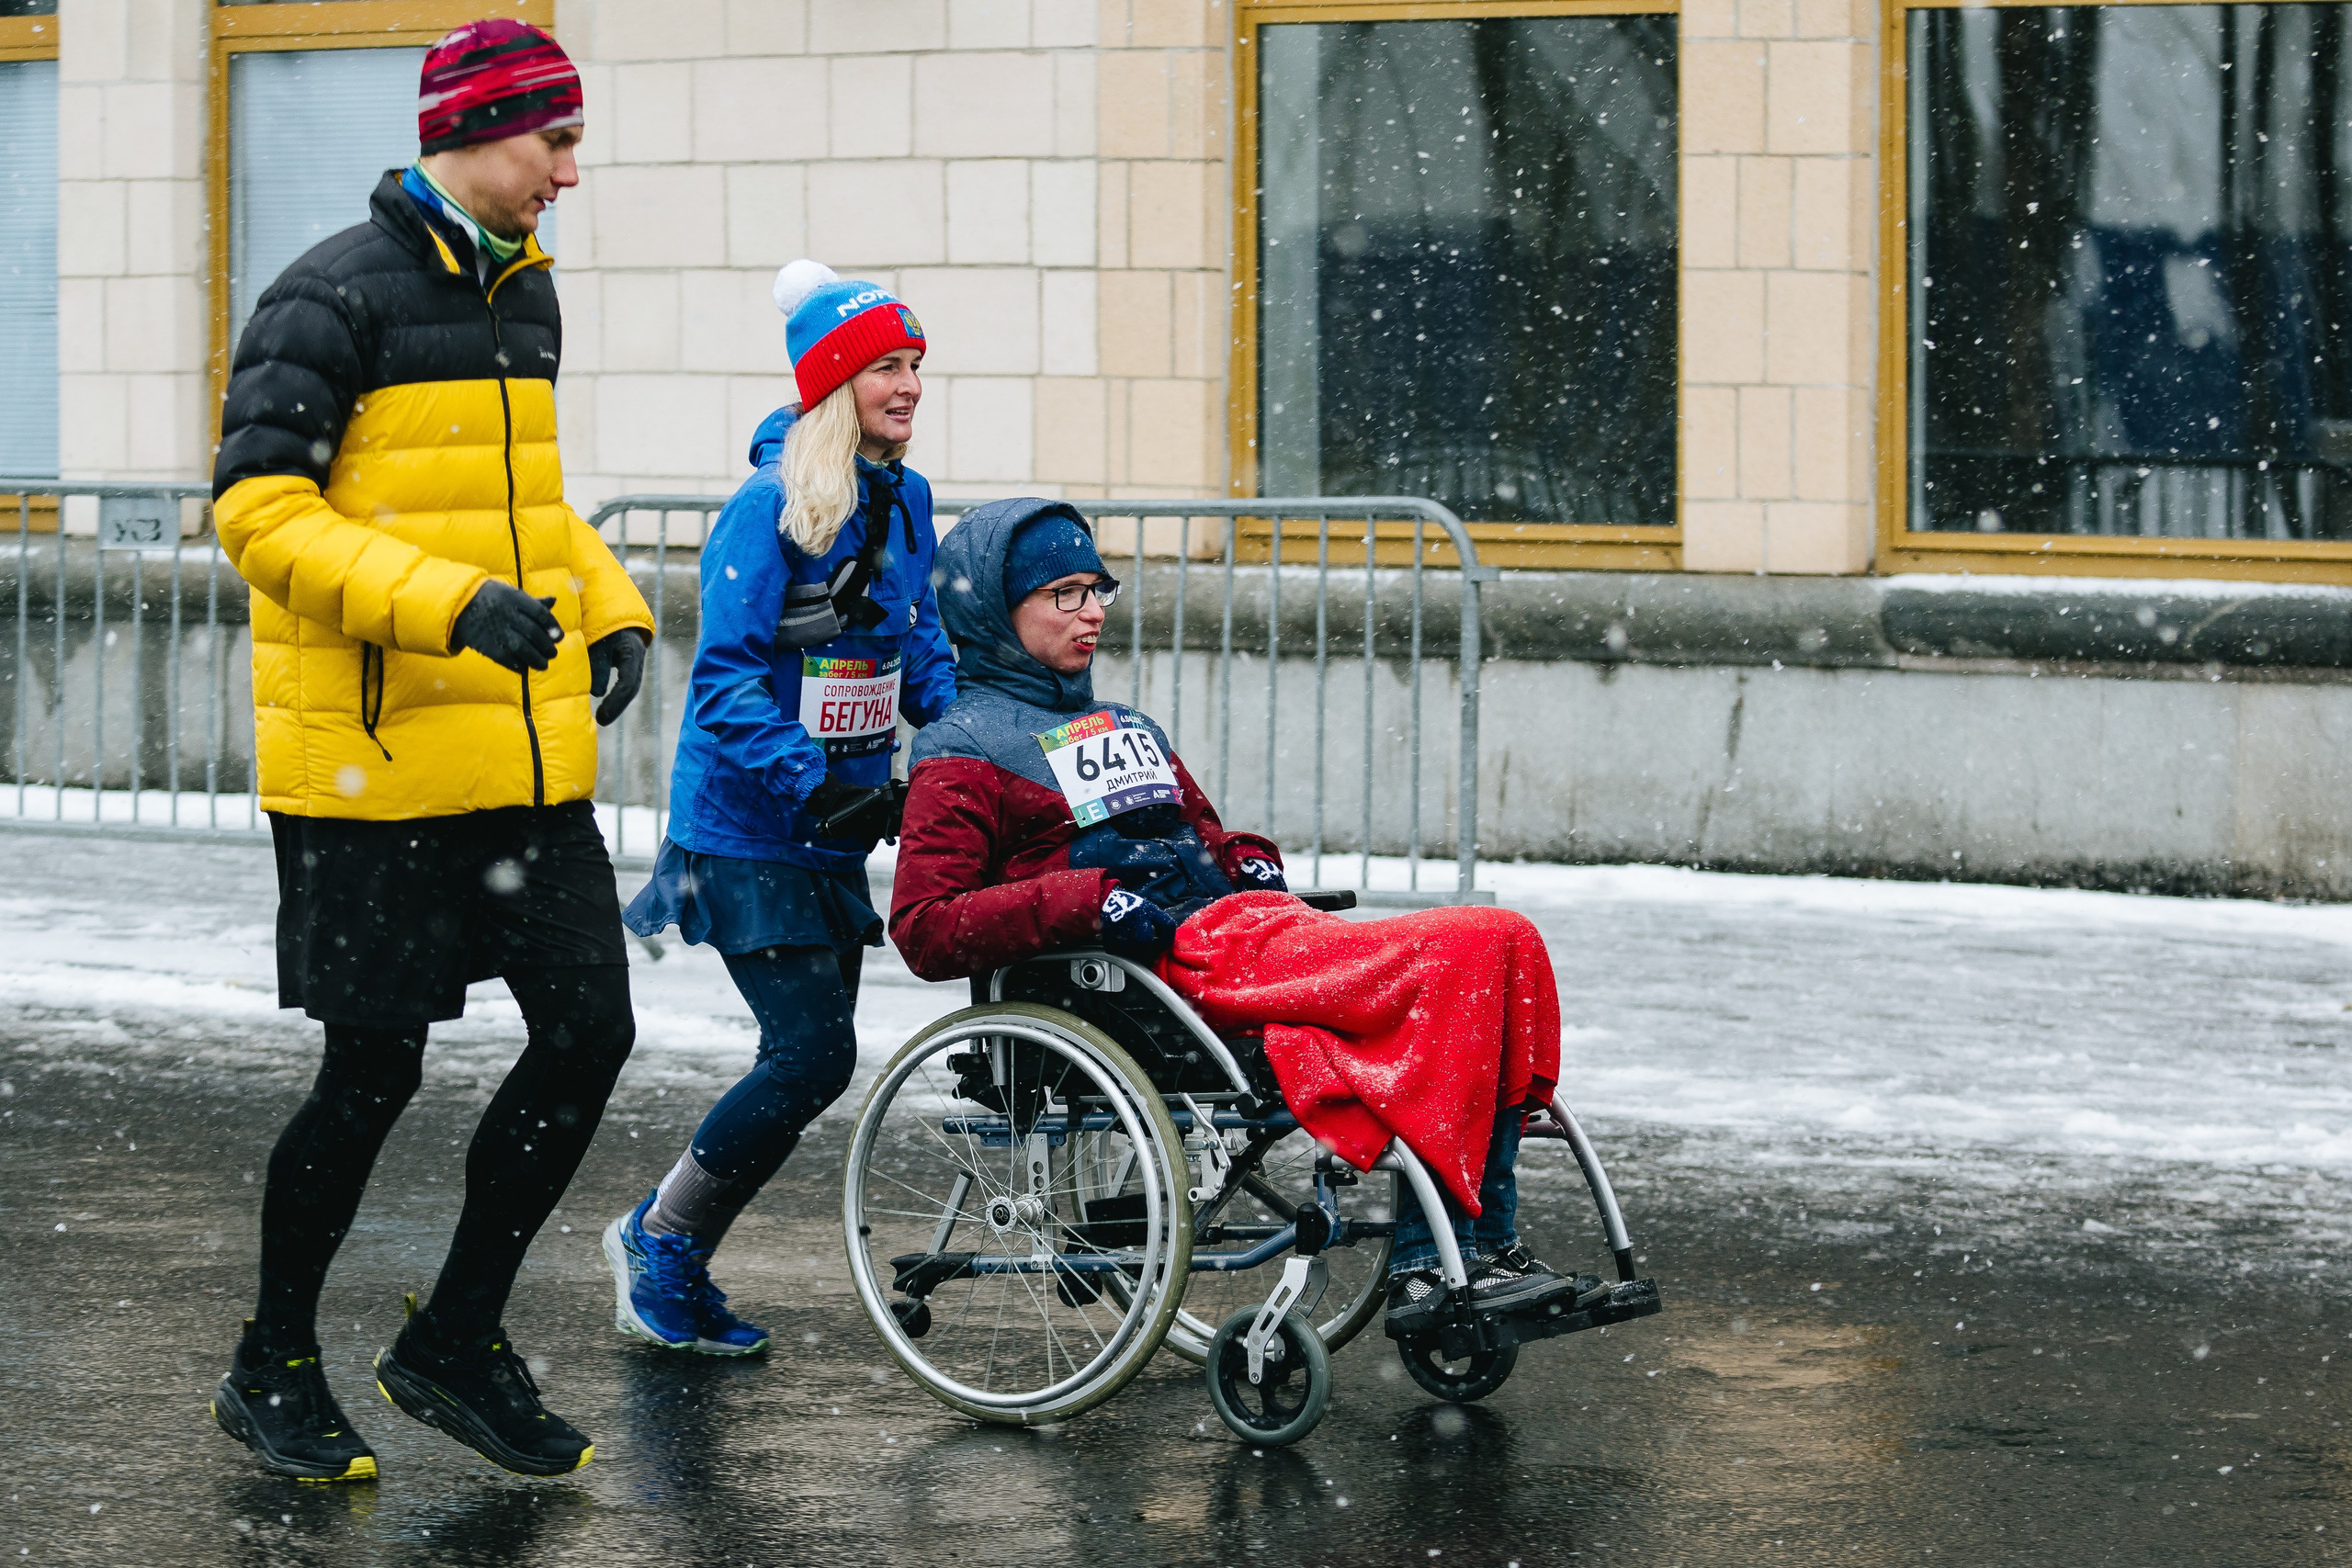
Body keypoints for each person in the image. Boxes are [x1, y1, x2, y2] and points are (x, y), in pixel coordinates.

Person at [207, 20, 652, 1482]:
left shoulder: (526, 291)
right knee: (372, 1072)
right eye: (556, 143)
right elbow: (260, 513)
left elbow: (522, 504)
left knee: (589, 1030)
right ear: (471, 130)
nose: (571, 174)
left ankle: (456, 1334)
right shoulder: (329, 293)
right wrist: (450, 604)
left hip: (517, 762)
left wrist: (607, 600)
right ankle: (272, 1359)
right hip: (372, 764)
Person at [888, 501, 1607, 1336]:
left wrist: (1247, 858)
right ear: (994, 612)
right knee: (1471, 949)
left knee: (1506, 943)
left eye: (1098, 589)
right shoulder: (962, 749)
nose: (1092, 613)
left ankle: (1475, 1249)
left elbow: (1201, 834)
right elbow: (927, 925)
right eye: (1064, 595)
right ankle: (1433, 1265)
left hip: (1242, 928)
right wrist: (1089, 900)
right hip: (1165, 968)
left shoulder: (1126, 727)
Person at [598, 262, 955, 1356]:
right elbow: (724, 681)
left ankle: (669, 1243)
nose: (908, 386)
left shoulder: (907, 498)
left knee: (809, 1060)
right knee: (809, 1056)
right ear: (834, 385)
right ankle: (658, 1240)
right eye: (885, 367)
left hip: (832, 824)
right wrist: (814, 782)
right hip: (748, 824)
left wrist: (965, 742)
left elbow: (919, 643)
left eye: (915, 365)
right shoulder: (767, 508)